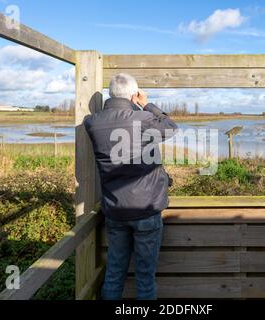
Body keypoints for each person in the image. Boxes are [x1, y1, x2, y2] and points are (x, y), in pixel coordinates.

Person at [84, 73, 178, 300]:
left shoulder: (92, 122)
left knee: (114, 273)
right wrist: (146, 104)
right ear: (134, 94)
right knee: (145, 277)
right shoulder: (143, 119)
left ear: (110, 93)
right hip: (145, 208)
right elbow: (170, 127)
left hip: (115, 210)